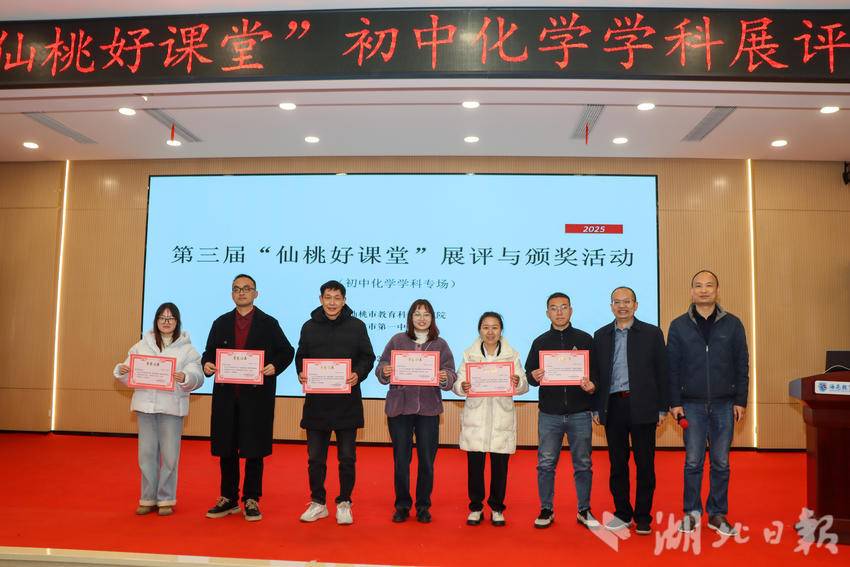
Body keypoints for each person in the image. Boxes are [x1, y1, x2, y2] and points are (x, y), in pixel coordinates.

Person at [201, 274, 294, 522]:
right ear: (232, 294)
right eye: (236, 289)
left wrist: (275, 366)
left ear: (256, 293)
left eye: (246, 288)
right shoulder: (221, 322)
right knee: (227, 448)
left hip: (256, 398)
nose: (241, 292)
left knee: (254, 449)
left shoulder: (268, 323)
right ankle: (228, 497)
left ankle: (252, 498)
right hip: (227, 397)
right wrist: (207, 364)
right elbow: (209, 352)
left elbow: (287, 351)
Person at [668, 270, 749, 537]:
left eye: (709, 285)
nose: (704, 290)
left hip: (725, 404)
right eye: (698, 286)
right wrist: (674, 402)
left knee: (721, 462)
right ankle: (691, 513)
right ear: (691, 292)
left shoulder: (733, 324)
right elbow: (672, 368)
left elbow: (742, 364)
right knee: (693, 462)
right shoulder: (678, 325)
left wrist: (741, 400)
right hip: (691, 405)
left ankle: (717, 514)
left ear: (717, 290)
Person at [296, 280, 376, 525]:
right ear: (321, 299)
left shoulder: (357, 326)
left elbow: (368, 357)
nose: (332, 302)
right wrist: (301, 372)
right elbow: (301, 356)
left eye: (337, 298)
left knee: (347, 458)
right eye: (328, 297)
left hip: (346, 404)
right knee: (315, 459)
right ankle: (318, 502)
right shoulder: (309, 327)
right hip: (317, 404)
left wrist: (358, 374)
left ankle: (344, 502)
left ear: (344, 300)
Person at [114, 302, 204, 516]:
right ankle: (147, 498)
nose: (166, 322)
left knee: (170, 456)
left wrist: (186, 377)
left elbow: (198, 376)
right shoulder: (141, 346)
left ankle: (165, 499)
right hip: (145, 407)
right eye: (162, 318)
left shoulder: (187, 349)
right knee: (146, 454)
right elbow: (128, 373)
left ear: (177, 322)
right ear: (156, 320)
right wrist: (122, 371)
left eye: (171, 318)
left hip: (172, 408)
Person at [592, 287, 668, 535]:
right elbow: (596, 374)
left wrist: (662, 407)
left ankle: (643, 516)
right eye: (617, 302)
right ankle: (623, 513)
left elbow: (662, 372)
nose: (622, 306)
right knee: (617, 464)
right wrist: (597, 407)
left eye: (627, 302)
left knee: (645, 464)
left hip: (643, 405)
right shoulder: (601, 335)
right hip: (613, 405)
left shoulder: (652, 333)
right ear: (611, 306)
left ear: (636, 305)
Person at [375, 299, 457, 524]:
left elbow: (451, 372)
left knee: (427, 462)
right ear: (410, 317)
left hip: (428, 410)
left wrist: (445, 377)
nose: (422, 318)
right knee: (401, 461)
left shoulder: (440, 344)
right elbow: (381, 366)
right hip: (400, 409)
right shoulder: (397, 340)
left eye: (426, 314)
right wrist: (385, 370)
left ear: (432, 319)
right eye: (417, 314)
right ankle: (402, 505)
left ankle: (423, 506)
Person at [525, 292, 599, 530]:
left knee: (583, 464)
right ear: (547, 313)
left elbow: (597, 373)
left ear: (571, 310)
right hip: (550, 414)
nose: (559, 312)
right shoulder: (540, 342)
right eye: (554, 308)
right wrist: (533, 376)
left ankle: (584, 509)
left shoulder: (585, 339)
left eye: (564, 307)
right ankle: (546, 509)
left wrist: (593, 386)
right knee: (546, 464)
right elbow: (529, 375)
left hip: (580, 413)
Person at [453, 311, 528, 527]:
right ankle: (476, 507)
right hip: (476, 418)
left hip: (501, 418)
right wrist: (462, 386)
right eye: (485, 327)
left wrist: (517, 383)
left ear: (501, 330)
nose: (490, 332)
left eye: (495, 327)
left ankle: (497, 507)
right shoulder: (469, 354)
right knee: (475, 467)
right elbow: (458, 383)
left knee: (500, 467)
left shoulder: (512, 355)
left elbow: (524, 385)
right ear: (479, 330)